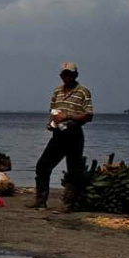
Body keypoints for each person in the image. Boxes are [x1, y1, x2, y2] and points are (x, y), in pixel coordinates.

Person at [31, 61, 93, 210]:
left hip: (74, 134)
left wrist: (68, 116)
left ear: (75, 75)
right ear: (61, 76)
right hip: (58, 134)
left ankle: (69, 203)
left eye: (70, 74)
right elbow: (53, 112)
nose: (67, 77)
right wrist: (51, 124)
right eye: (65, 74)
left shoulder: (83, 92)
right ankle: (40, 200)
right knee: (43, 166)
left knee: (73, 169)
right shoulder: (57, 92)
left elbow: (88, 115)